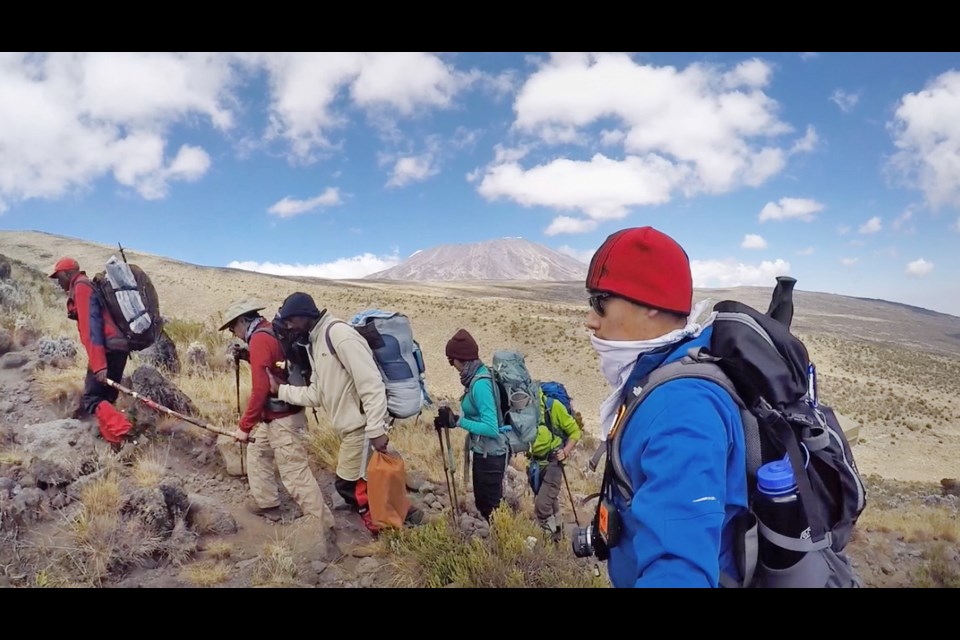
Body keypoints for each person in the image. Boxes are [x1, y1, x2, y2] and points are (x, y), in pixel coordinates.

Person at [585, 226, 747, 588]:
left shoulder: (680, 411)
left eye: (600, 302)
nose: (590, 320)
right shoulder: (664, 372)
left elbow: (680, 571)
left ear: (651, 304)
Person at [265, 292, 422, 535]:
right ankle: (406, 513)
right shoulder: (316, 342)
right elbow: (317, 393)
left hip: (361, 426)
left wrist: (376, 429)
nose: (288, 327)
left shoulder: (338, 334)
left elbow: (371, 384)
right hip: (352, 426)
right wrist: (281, 390)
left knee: (349, 485)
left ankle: (384, 533)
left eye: (290, 321)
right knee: (370, 479)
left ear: (303, 316)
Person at [218, 299, 335, 531]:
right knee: (258, 451)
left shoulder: (260, 339)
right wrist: (249, 356)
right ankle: (267, 503)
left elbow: (261, 389)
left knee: (294, 472)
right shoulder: (271, 331)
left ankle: (322, 526)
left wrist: (244, 426)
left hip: (282, 420)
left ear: (243, 320)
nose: (234, 333)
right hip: (282, 413)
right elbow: (277, 365)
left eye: (233, 328)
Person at [49, 257, 133, 452]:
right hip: (118, 346)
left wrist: (99, 365)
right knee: (105, 398)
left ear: (68, 273)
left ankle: (124, 432)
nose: (58, 281)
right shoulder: (87, 285)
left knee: (91, 399)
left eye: (59, 276)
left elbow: (91, 328)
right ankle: (117, 447)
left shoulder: (81, 287)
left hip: (107, 349)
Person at [434, 329, 508, 522]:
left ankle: (500, 546)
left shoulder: (480, 385)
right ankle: (497, 543)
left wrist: (458, 421)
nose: (452, 366)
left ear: (461, 359)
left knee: (490, 507)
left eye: (452, 361)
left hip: (490, 455)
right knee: (486, 505)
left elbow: (491, 428)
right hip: (484, 451)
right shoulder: (477, 377)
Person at [527, 385, 581, 542]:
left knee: (542, 506)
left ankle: (549, 540)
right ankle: (558, 536)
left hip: (553, 462)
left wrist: (565, 452)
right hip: (535, 463)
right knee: (550, 500)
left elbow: (575, 432)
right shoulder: (523, 411)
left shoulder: (553, 406)